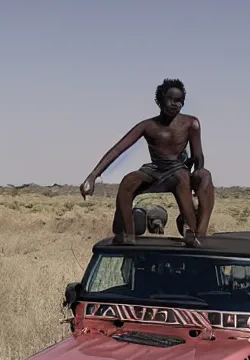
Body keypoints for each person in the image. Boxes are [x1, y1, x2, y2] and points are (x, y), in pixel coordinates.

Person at [80, 78, 214, 246]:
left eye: (180, 101)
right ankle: (127, 233)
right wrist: (93, 176)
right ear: (160, 99)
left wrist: (196, 187)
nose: (176, 104)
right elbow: (118, 149)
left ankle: (193, 232)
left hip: (178, 170)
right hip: (155, 170)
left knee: (190, 176)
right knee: (129, 180)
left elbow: (198, 157)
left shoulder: (191, 124)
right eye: (172, 99)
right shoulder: (148, 126)